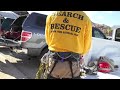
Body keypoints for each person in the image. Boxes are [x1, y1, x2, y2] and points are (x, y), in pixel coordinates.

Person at [36, 11, 92, 79]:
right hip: (73, 63)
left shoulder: (51, 16)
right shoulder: (85, 19)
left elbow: (48, 39)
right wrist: (82, 54)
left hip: (53, 61)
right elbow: (87, 43)